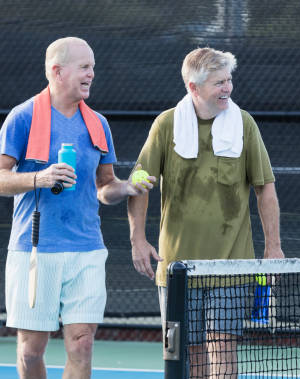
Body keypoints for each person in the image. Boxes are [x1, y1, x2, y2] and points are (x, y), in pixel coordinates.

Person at [0, 37, 154, 379]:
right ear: (57, 71)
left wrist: (126, 187)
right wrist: (38, 177)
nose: (91, 74)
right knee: (29, 351)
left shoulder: (98, 123)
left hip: (86, 249)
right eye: (85, 67)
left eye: (93, 67)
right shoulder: (22, 117)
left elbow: (105, 187)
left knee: (82, 343)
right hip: (34, 251)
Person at [127, 47, 284, 378]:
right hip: (177, 268)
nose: (227, 88)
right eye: (218, 82)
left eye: (228, 80)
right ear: (193, 88)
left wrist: (274, 246)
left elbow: (264, 188)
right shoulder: (166, 125)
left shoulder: (244, 123)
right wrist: (137, 239)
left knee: (222, 343)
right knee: (186, 350)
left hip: (232, 264)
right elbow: (140, 182)